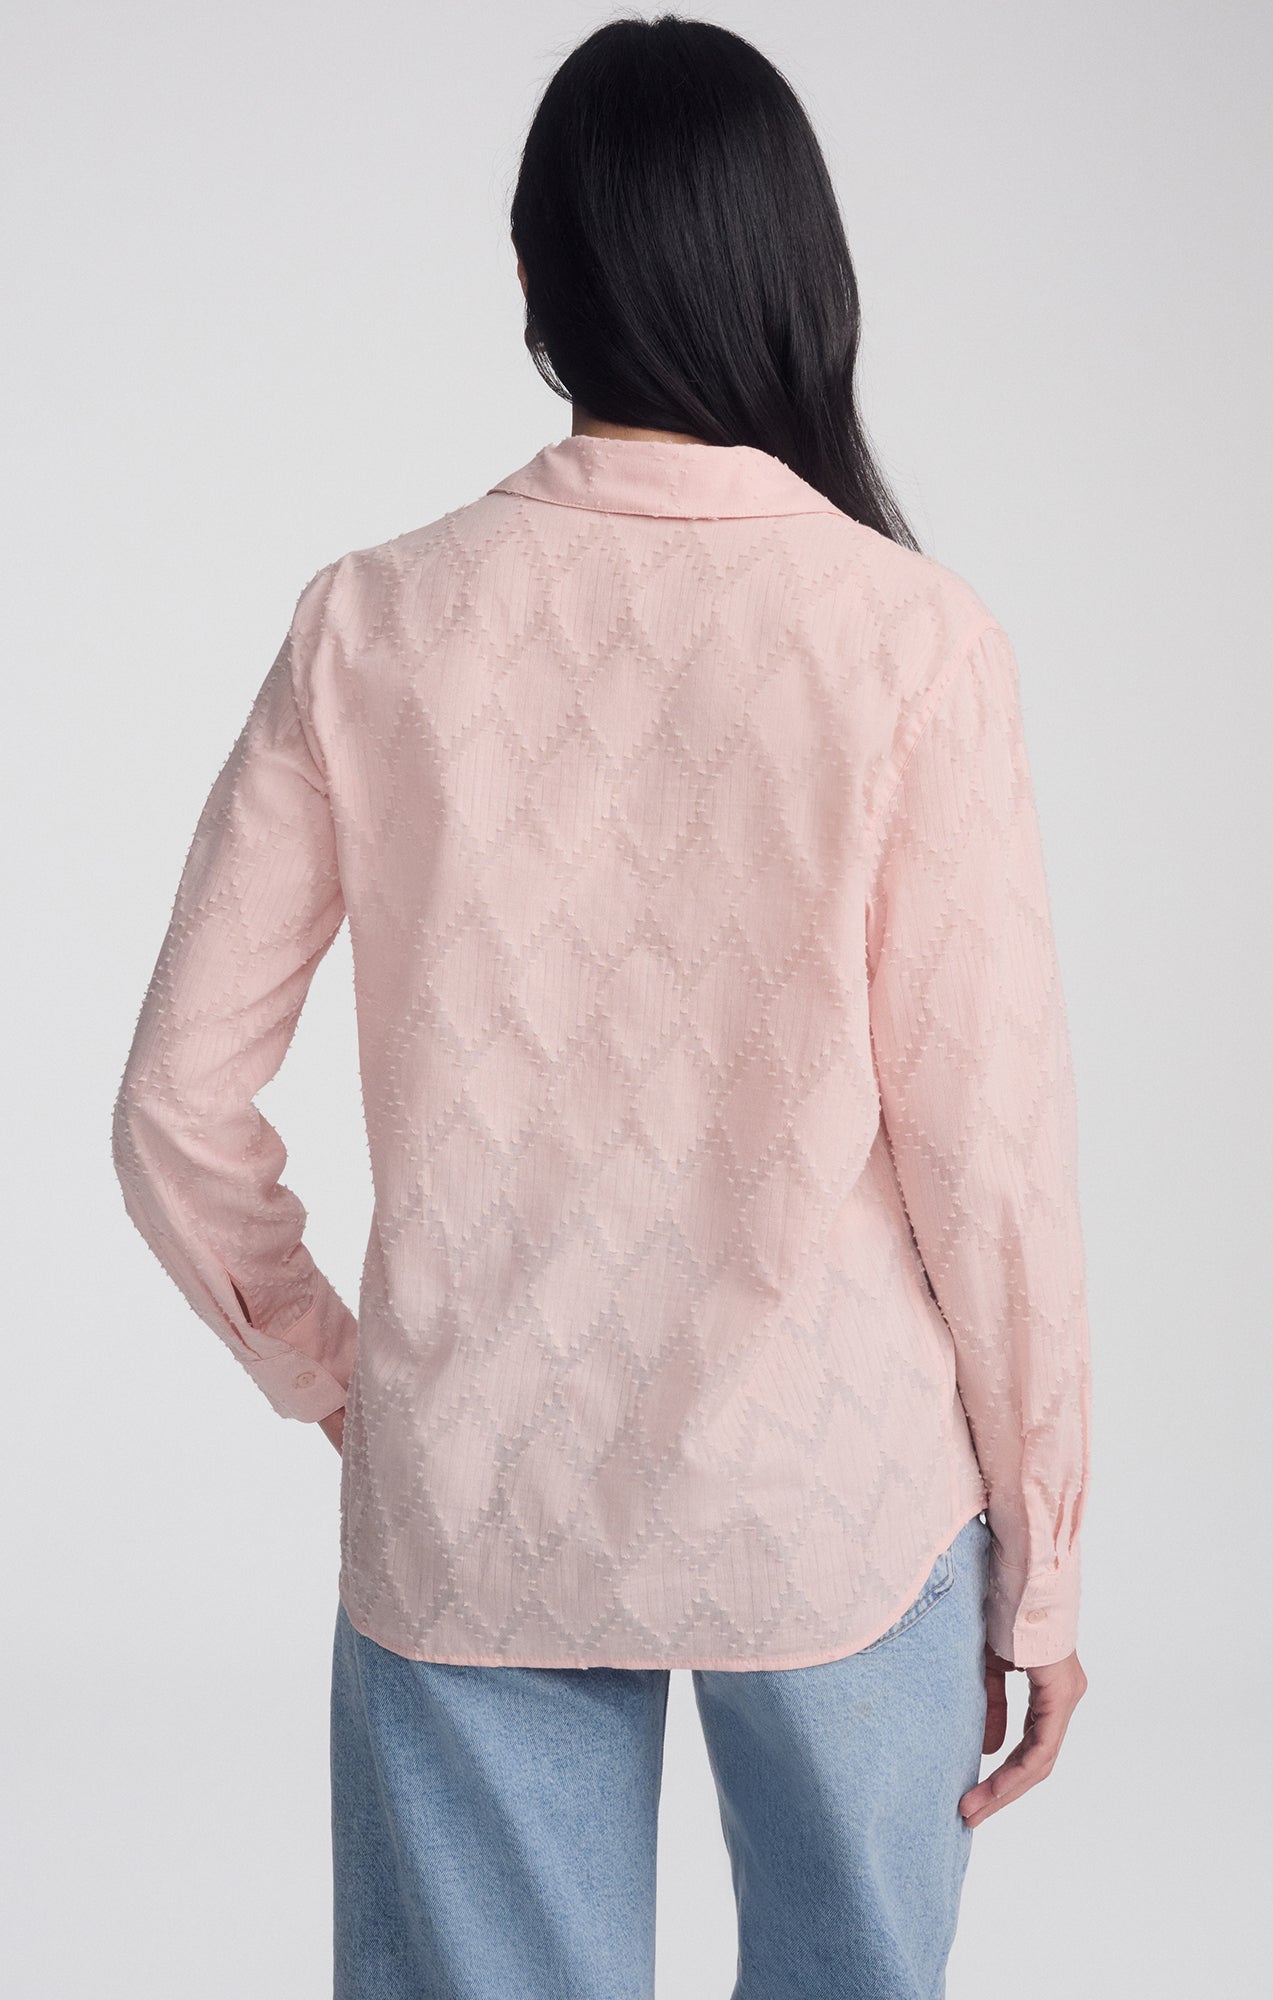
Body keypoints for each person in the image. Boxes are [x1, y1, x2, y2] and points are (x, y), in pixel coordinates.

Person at [111, 15, 1091, 1998]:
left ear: (534, 277)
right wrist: (1045, 1560)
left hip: (480, 1493)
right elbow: (990, 1165)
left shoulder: (371, 620)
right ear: (799, 270)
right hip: (837, 1493)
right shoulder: (910, 640)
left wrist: (348, 1381)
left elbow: (172, 1109)